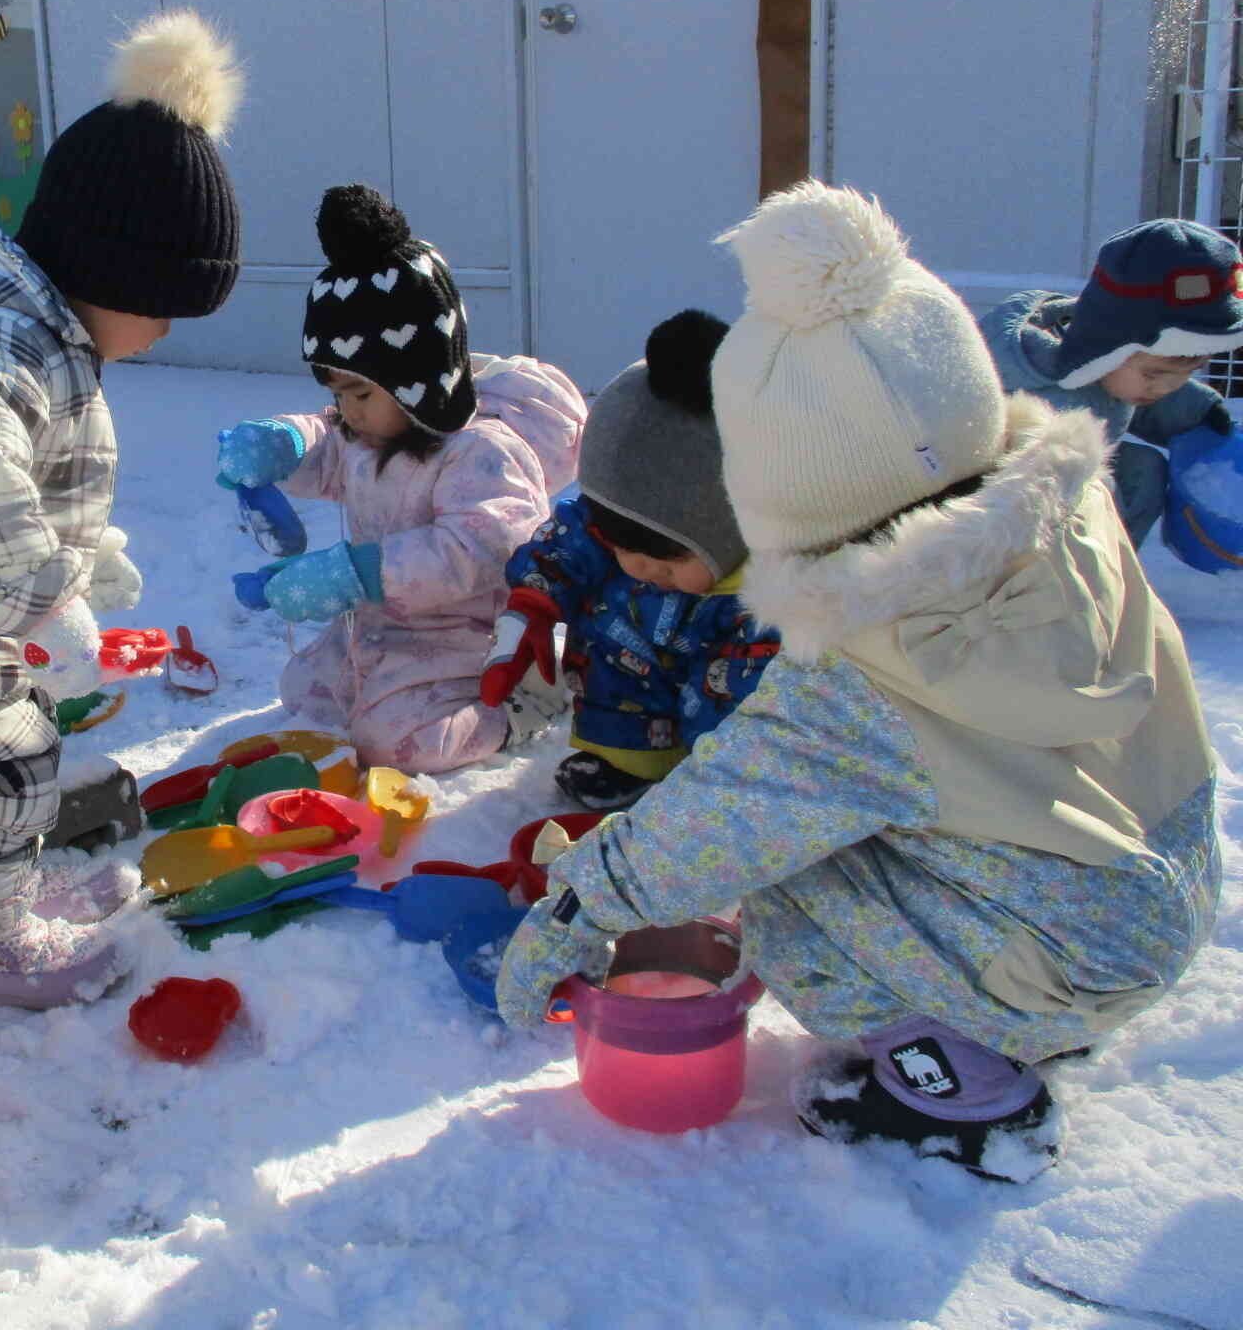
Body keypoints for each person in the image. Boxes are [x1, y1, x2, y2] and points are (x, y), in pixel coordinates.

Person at [495, 181, 1221, 1183]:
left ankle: (966, 1091)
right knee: (860, 827)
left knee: (782, 885)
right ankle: (1026, 997)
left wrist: (572, 913)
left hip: (1070, 944)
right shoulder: (1070, 513)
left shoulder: (864, 668)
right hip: (1161, 876)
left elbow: (715, 818)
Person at [0, 8, 244, 1009]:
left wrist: (82, 551)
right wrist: (43, 603)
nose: (161, 334)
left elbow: (23, 460)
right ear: (109, 270)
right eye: (160, 307)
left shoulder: (23, 321)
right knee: (1, 761)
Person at [215, 183, 585, 774]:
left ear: (421, 379)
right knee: (305, 695)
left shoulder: (482, 452)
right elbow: (328, 447)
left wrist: (355, 574)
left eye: (360, 391)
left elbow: (485, 549)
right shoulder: (370, 433)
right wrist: (280, 445)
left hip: (460, 638)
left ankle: (525, 700)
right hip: (378, 625)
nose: (348, 411)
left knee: (396, 745)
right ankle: (389, 687)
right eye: (338, 394)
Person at [478, 310, 779, 811]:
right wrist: (532, 602)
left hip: (726, 705)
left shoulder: (775, 594)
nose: (640, 566)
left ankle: (721, 786)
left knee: (749, 708)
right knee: (613, 629)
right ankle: (626, 758)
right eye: (622, 548)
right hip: (632, 679)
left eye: (667, 558)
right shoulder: (617, 523)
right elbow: (569, 542)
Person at [977, 217, 1243, 549]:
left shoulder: (1119, 372)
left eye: (1187, 373)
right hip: (998, 495)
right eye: (1154, 374)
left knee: (1141, 474)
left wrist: (1202, 413)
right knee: (1101, 490)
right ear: (1108, 348)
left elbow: (1151, 400)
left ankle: (1112, 565)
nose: (1164, 388)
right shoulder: (1027, 381)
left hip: (1078, 476)